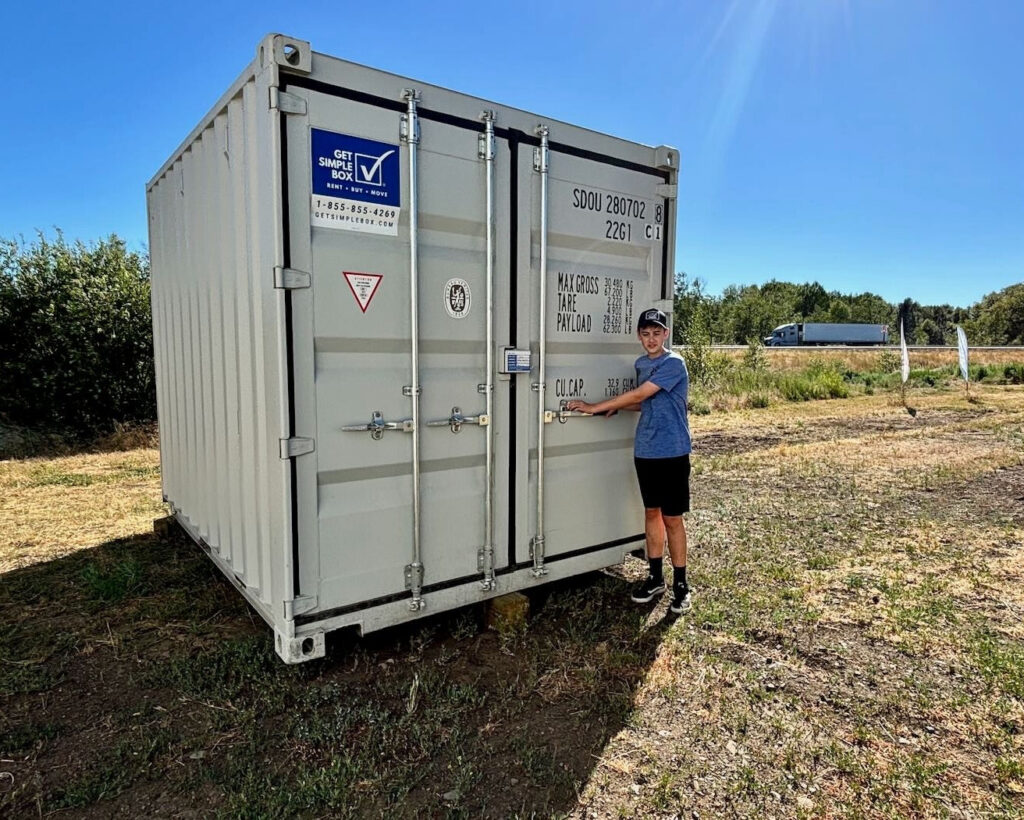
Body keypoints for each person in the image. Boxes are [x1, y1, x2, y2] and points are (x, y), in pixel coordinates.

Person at [566, 308, 692, 614]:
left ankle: (681, 585)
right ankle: (655, 578)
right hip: (646, 450)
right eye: (645, 334)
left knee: (672, 518)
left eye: (656, 333)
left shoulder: (673, 363)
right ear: (639, 336)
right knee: (651, 514)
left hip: (672, 451)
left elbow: (641, 392)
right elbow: (646, 403)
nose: (651, 339)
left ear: (666, 334)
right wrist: (621, 409)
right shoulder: (641, 364)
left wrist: (596, 406)